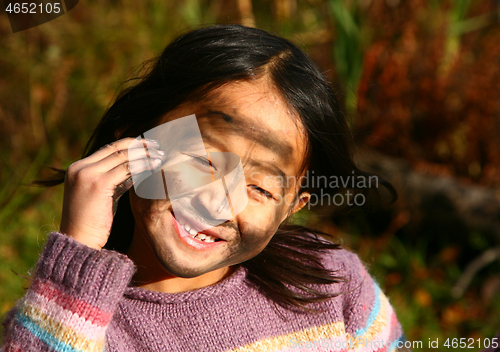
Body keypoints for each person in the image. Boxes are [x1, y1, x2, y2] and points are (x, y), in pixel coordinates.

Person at [1, 24, 407, 351]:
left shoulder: (331, 283)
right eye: (203, 162)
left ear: (291, 206)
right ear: (133, 138)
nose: (218, 203)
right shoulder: (61, 318)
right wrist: (79, 257)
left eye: (261, 189)